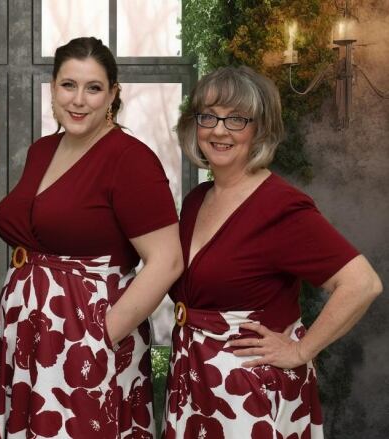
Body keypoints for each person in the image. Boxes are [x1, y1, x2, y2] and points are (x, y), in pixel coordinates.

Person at [162, 65, 383, 438]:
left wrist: (301, 351)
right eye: (209, 116)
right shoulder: (198, 199)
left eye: (236, 119)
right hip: (194, 385)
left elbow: (362, 284)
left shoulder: (280, 206)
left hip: (251, 396)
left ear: (260, 129)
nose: (219, 130)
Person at [0, 36, 184, 438]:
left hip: (88, 335)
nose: (78, 100)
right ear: (53, 88)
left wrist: (101, 335)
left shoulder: (130, 158)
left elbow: (167, 261)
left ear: (112, 94)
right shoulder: (42, 150)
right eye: (68, 85)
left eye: (93, 88)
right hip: (29, 337)